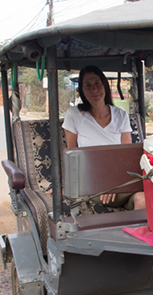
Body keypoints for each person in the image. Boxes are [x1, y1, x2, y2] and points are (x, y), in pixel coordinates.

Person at [62, 65, 145, 210]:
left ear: (104, 85)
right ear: (81, 90)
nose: (94, 90)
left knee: (142, 198)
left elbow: (126, 157)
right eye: (88, 86)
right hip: (94, 182)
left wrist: (114, 183)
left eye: (97, 84)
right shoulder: (74, 115)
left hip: (121, 181)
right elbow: (72, 157)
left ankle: (135, 232)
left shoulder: (121, 115)